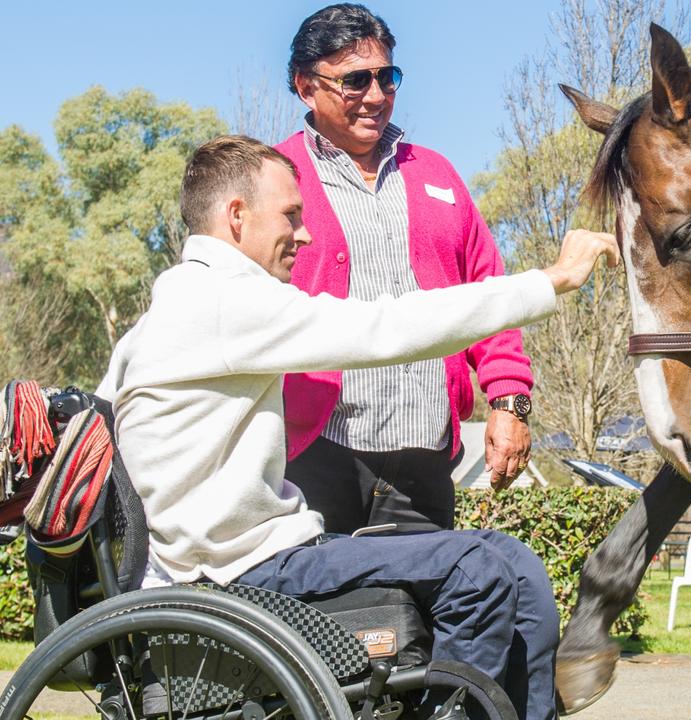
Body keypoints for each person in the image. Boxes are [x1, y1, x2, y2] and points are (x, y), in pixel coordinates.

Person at [95, 135, 617, 720]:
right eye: (291, 216)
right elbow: (387, 326)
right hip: (236, 573)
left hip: (249, 557)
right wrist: (554, 280)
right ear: (236, 217)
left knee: (512, 561)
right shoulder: (225, 299)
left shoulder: (169, 310)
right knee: (477, 571)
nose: (305, 233)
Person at [277, 3, 534, 535]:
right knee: (314, 614)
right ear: (306, 86)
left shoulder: (436, 174)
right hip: (313, 452)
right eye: (354, 80)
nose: (375, 96)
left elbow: (490, 295)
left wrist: (510, 401)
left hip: (425, 455)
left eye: (386, 77)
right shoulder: (273, 177)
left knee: (418, 611)